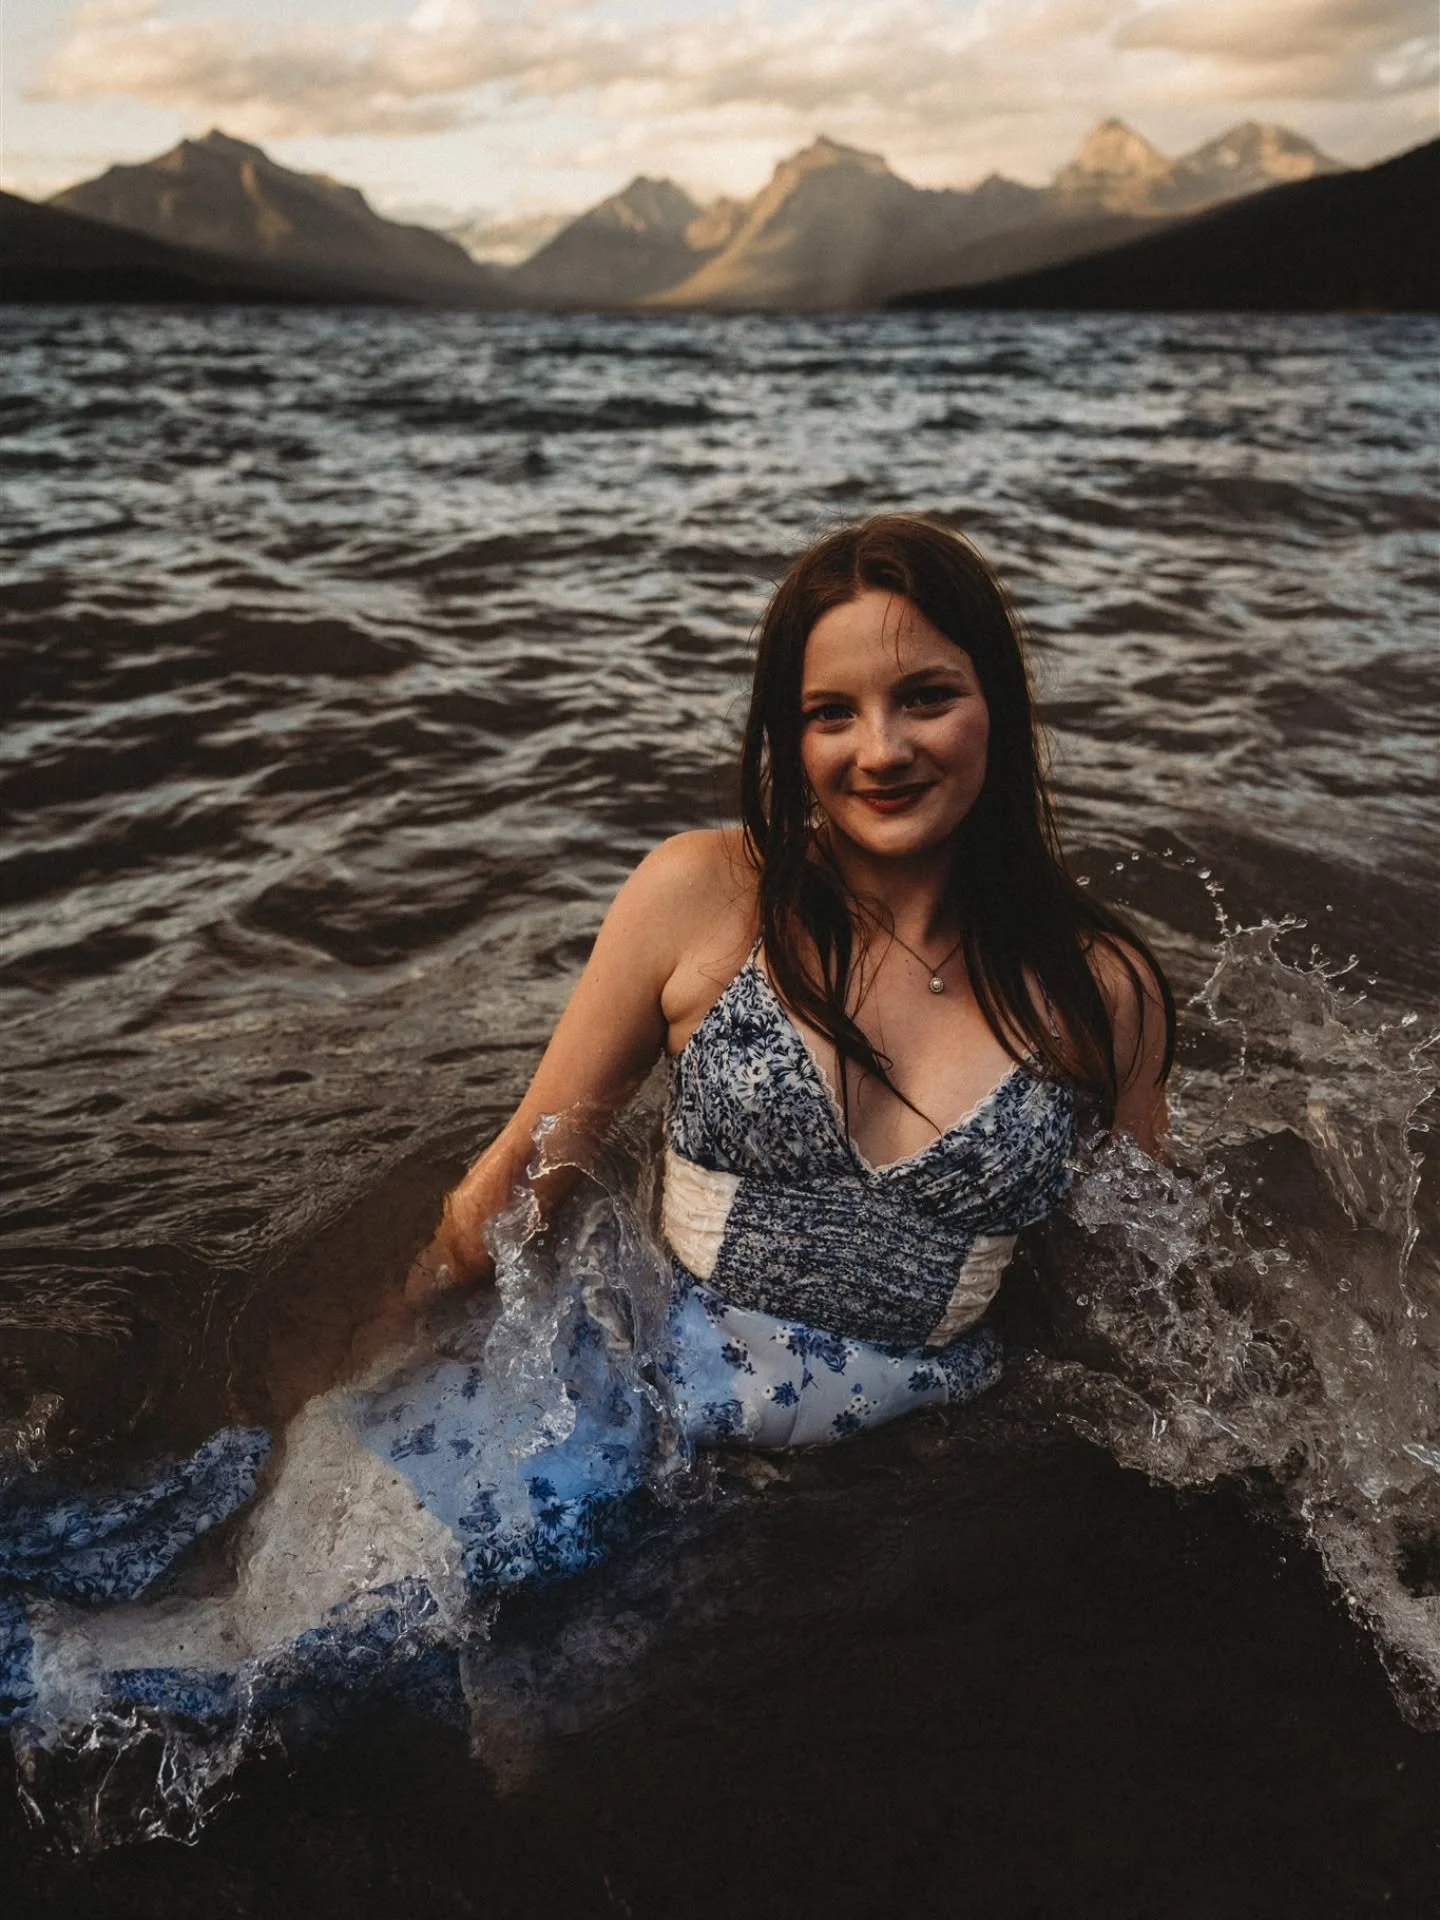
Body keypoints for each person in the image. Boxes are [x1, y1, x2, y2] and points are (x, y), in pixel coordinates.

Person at [1, 515, 1173, 1755]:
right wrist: (348, 1378)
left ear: (998, 702)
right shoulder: (706, 895)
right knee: (266, 1657)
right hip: (613, 1406)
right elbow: (517, 1183)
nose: (879, 749)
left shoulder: (1102, 992)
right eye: (832, 713)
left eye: (926, 697)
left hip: (867, 1482)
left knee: (561, 1738)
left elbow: (1134, 1274)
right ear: (790, 735)